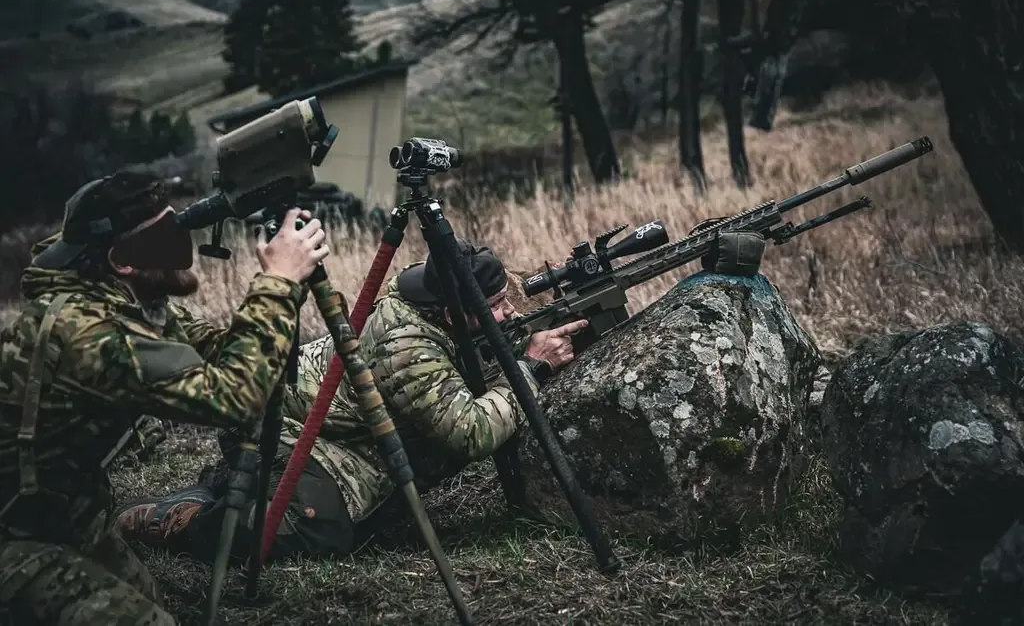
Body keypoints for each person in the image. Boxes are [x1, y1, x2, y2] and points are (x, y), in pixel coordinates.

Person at [116, 229, 765, 564]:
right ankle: (171, 514)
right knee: (304, 537)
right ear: (453, 312)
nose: (508, 311)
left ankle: (233, 482)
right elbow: (472, 430)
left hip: (341, 439)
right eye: (495, 304)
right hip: (303, 443)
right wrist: (533, 368)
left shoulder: (441, 313)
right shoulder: (406, 345)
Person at [0, 169, 329, 625]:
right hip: (14, 531)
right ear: (123, 260)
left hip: (62, 514)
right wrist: (279, 283)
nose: (182, 248)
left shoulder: (125, 303)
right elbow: (235, 398)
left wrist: (280, 289)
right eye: (164, 237)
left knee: (150, 599)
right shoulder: (91, 335)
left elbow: (218, 352)